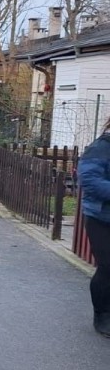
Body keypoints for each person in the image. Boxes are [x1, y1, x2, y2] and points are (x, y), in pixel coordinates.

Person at [78, 120, 110, 337]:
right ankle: (102, 315)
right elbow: (88, 178)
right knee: (108, 266)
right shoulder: (101, 146)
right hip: (100, 217)